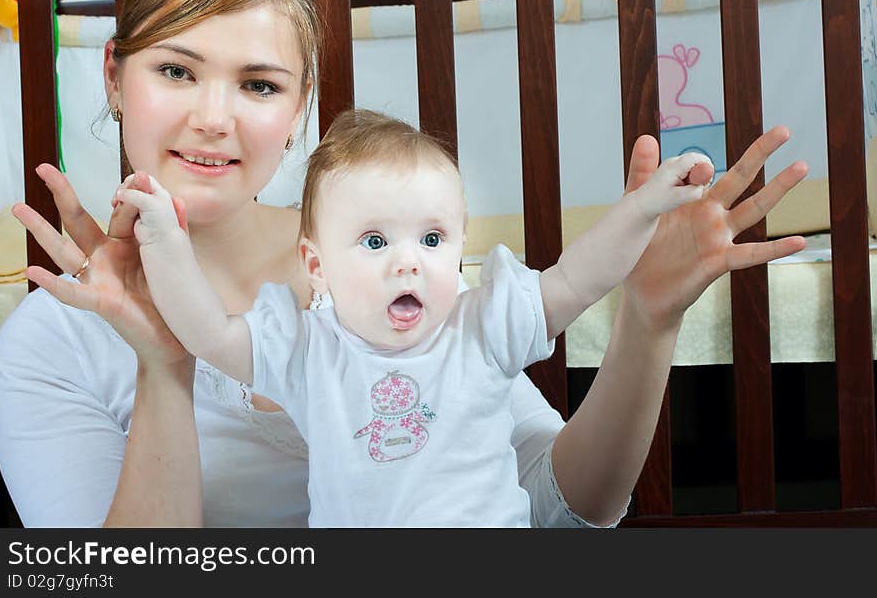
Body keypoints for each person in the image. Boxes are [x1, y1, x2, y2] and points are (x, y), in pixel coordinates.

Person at [0, 0, 808, 528]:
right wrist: (164, 366)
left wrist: (649, 319)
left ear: (300, 104)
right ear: (113, 74)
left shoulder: (388, 266)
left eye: (257, 83)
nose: (213, 118)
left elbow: (564, 504)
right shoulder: (47, 344)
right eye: (176, 70)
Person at [117, 108, 711, 526]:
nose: (409, 263)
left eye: (431, 239)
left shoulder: (483, 325)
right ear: (315, 264)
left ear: (459, 245)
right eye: (375, 242)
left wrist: (642, 210)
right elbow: (205, 331)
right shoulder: (306, 350)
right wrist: (166, 243)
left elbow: (580, 275)